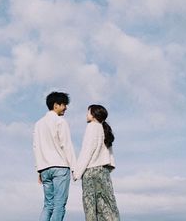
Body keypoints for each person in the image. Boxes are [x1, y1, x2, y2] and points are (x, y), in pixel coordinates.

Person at [33, 91, 76, 221]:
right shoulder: (60, 122)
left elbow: (36, 147)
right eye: (64, 105)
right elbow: (66, 145)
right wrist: (74, 168)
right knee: (59, 205)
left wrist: (39, 169)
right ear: (56, 105)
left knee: (48, 205)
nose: (66, 108)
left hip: (45, 168)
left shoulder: (38, 124)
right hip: (60, 167)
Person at [73, 104, 120, 221]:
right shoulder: (105, 128)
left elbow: (87, 151)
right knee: (108, 206)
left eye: (88, 112)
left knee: (91, 208)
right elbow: (109, 154)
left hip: (91, 173)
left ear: (93, 115)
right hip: (104, 172)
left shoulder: (92, 127)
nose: (86, 114)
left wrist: (77, 173)